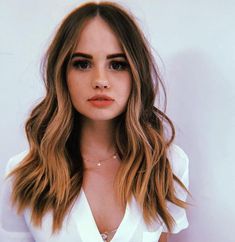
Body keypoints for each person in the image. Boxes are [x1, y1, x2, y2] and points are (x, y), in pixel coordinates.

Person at [0, 1, 190, 242]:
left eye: (117, 64)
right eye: (82, 63)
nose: (100, 80)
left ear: (136, 74)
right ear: (62, 75)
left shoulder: (167, 165)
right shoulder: (24, 175)